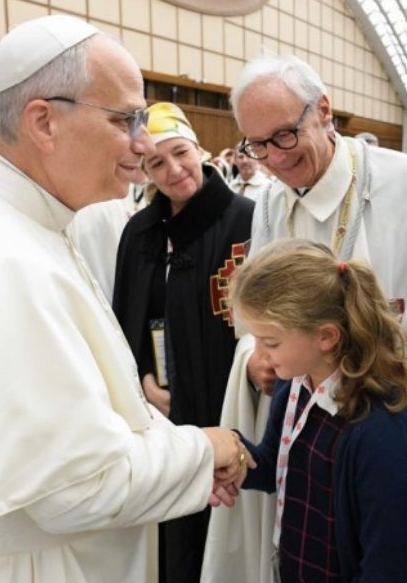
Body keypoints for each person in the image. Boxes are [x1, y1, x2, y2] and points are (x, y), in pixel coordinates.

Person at [0, 14, 245, 582]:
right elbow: (77, 485)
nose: (142, 144)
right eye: (125, 119)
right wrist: (206, 449)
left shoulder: (8, 216)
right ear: (43, 122)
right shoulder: (3, 260)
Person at [202, 54, 407, 583]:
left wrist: (359, 376)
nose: (272, 158)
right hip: (303, 406)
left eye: (284, 136)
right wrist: (259, 357)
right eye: (257, 144)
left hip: (386, 413)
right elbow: (257, 319)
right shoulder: (273, 199)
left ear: (323, 112)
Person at [112, 101, 255, 583]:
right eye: (157, 162)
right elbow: (125, 318)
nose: (174, 170)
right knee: (170, 536)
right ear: (145, 171)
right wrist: (143, 381)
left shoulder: (247, 222)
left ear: (200, 150)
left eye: (181, 153)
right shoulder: (140, 233)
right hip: (159, 412)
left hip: (224, 402)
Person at [232, 239, 407, 582]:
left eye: (271, 342)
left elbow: (386, 566)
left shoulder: (377, 431)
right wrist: (230, 454)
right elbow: (273, 467)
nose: (260, 355)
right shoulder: (293, 385)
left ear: (326, 337)